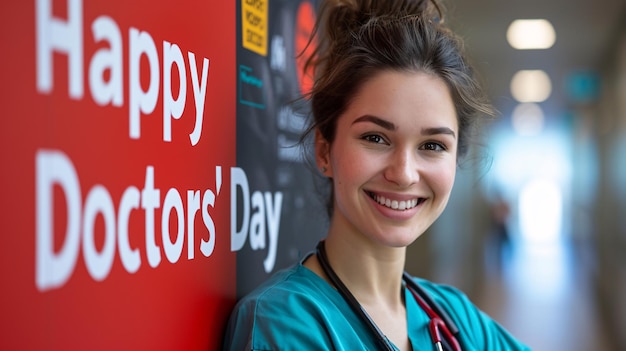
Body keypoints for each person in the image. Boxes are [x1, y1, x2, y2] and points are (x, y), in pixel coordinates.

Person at [223, 0, 530, 350]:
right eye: (375, 138)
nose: (403, 173)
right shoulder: (284, 322)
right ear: (325, 151)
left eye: (432, 146)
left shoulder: (455, 318)